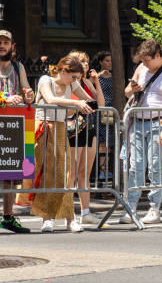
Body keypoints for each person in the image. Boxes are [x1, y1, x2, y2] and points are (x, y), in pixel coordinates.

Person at [16, 55, 95, 233]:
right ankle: (47, 218)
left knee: (64, 174)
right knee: (45, 174)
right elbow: (50, 99)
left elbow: (92, 100)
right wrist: (76, 102)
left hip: (59, 128)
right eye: (74, 77)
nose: (76, 81)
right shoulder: (46, 79)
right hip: (42, 128)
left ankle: (69, 219)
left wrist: (92, 83)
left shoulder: (72, 83)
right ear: (64, 71)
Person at [120, 39, 162, 224]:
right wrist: (131, 89)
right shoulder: (142, 68)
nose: (145, 64)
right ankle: (131, 206)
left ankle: (154, 208)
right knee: (135, 166)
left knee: (155, 166)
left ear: (157, 55)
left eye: (148, 60)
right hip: (138, 122)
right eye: (143, 60)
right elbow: (126, 92)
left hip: (159, 122)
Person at [0, 30, 35, 233]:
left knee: (10, 174)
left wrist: (29, 95)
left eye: (5, 42)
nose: (2, 45)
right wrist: (5, 98)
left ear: (12, 46)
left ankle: (8, 216)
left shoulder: (18, 66)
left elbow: (26, 90)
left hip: (12, 126)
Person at [66, 51, 105, 226]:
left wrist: (96, 82)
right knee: (71, 173)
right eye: (81, 61)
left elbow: (101, 104)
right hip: (73, 129)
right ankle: (69, 214)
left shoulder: (86, 82)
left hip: (89, 128)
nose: (85, 65)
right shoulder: (70, 83)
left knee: (85, 173)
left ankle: (85, 212)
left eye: (87, 62)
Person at [94, 51, 114, 180]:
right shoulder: (97, 78)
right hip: (101, 111)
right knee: (102, 141)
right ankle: (102, 170)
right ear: (101, 62)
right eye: (107, 60)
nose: (109, 63)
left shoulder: (115, 77)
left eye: (111, 61)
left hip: (112, 112)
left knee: (109, 141)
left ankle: (107, 169)